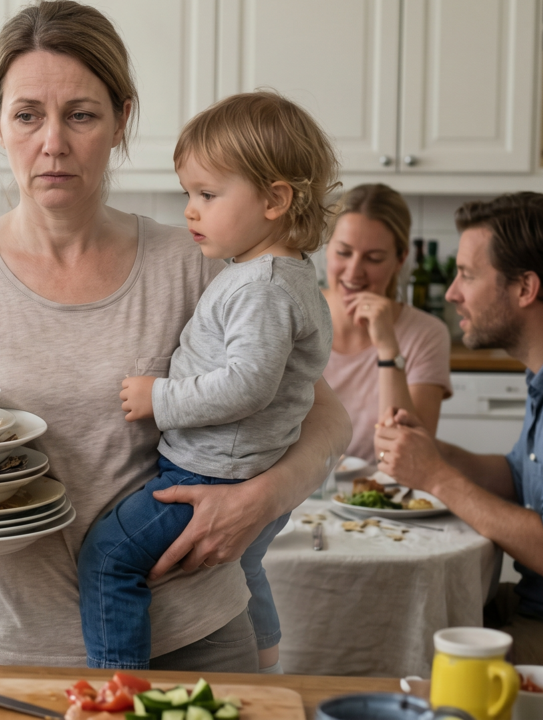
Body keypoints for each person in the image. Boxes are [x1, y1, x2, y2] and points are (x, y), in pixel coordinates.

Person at [0, 0, 350, 670]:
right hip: (17, 648)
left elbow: (325, 416)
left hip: (194, 636)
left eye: (82, 115)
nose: (53, 143)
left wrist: (261, 500)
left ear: (122, 120)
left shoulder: (197, 261)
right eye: (27, 114)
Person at [78, 92, 336, 672]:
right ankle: (266, 660)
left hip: (211, 473)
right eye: (189, 194)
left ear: (274, 199)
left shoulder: (259, 287)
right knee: (245, 569)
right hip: (246, 467)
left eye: (208, 195)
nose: (190, 210)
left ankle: (119, 690)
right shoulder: (277, 273)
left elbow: (248, 385)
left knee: (108, 558)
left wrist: (158, 398)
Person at [376, 193, 543, 664]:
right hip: (527, 602)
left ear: (525, 288)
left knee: (409, 657)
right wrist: (432, 451)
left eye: (467, 275)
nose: (451, 293)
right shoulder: (538, 376)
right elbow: (517, 475)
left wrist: (435, 477)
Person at [323, 184, 451, 461]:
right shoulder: (293, 313)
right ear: (327, 247)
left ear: (400, 259)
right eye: (343, 253)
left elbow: (414, 455)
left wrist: (387, 347)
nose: (354, 271)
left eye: (373, 258)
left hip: (382, 496)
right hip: (297, 492)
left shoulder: (427, 334)